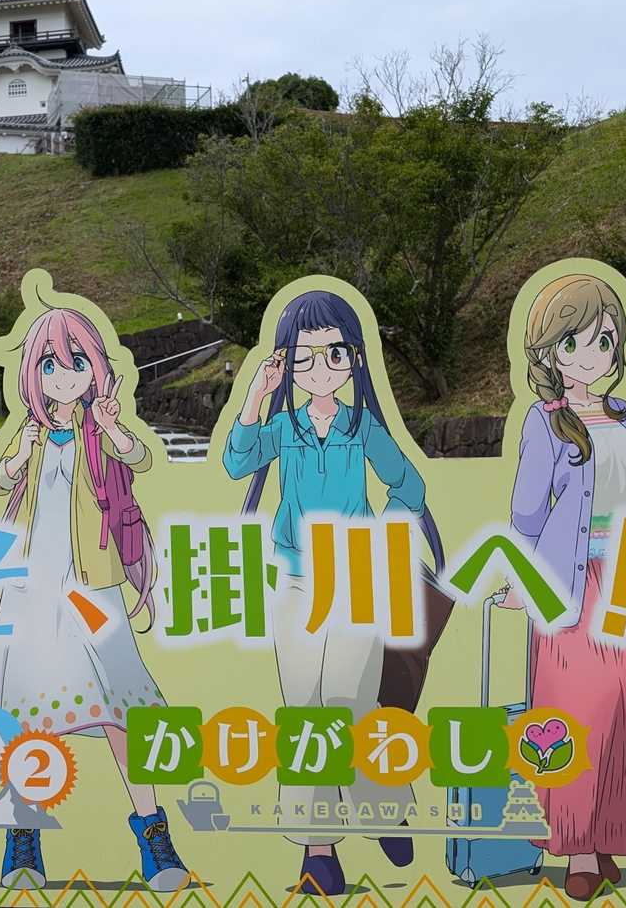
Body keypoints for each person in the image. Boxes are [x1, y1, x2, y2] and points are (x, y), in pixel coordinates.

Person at [223, 289, 444, 897]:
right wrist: (255, 397)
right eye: (304, 357)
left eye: (334, 354)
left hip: (356, 581)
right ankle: (317, 851)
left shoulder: (361, 426)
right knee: (306, 712)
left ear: (354, 359)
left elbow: (410, 486)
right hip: (296, 582)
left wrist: (376, 535)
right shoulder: (282, 428)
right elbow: (236, 463)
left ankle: (384, 807)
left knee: (349, 701)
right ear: (286, 363)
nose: (320, 369)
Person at [0, 306, 189, 892]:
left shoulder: (99, 429)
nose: (63, 376)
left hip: (93, 586)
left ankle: (154, 836)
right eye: (50, 365)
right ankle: (23, 838)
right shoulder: (30, 431)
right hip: (32, 589)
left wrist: (112, 424)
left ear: (94, 368)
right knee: (30, 715)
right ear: (34, 373)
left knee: (122, 708)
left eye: (76, 362)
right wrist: (20, 454)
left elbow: (140, 458)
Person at [500, 274, 626, 901]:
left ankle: (611, 836)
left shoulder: (625, 416)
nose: (591, 355)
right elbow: (527, 514)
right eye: (573, 342)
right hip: (572, 584)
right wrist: (519, 582)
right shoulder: (545, 422)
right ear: (550, 353)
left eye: (604, 341)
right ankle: (579, 848)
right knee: (581, 714)